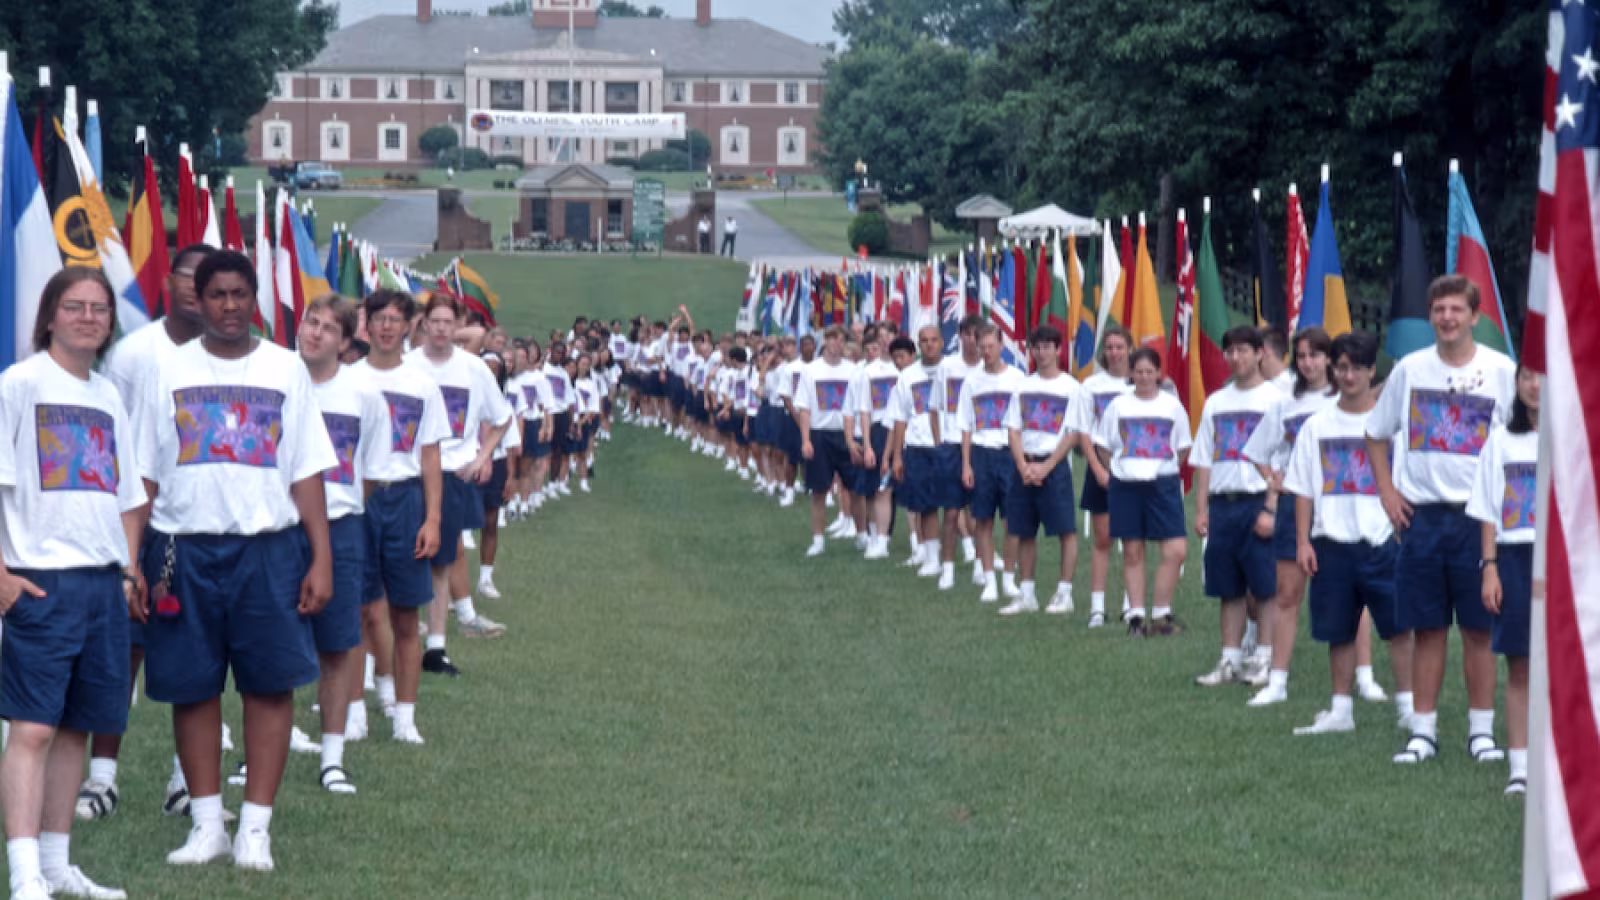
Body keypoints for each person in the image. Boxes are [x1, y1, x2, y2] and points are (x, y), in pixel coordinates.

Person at [134, 250, 337, 871]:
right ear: (196, 299)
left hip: (268, 549)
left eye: (238, 295)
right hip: (181, 548)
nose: (228, 306)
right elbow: (141, 475)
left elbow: (305, 470)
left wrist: (321, 556)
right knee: (193, 689)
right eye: (216, 294)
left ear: (254, 300)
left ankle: (255, 829)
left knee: (269, 686)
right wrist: (129, 561)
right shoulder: (165, 369)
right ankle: (205, 825)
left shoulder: (285, 369)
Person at [1, 268, 147, 900]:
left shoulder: (109, 396)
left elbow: (129, 494)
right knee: (32, 729)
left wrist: (129, 567)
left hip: (101, 584)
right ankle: (24, 873)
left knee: (75, 728)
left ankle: (59, 866)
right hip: (40, 580)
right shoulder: (19, 386)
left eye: (98, 308)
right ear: (50, 316)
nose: (88, 317)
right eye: (74, 306)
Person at [78, 244, 214, 823]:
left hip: (201, 521)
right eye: (186, 276)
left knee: (201, 652)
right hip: (138, 518)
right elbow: (113, 435)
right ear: (170, 284)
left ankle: (185, 780)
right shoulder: (135, 353)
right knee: (123, 650)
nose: (193, 288)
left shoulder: (231, 356)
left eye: (204, 280)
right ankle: (102, 777)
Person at [1366, 274, 1516, 765]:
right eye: (1439, 310)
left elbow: (1521, 445)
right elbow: (1374, 433)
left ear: (1475, 317)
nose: (1447, 318)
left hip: (1481, 524)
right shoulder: (1410, 370)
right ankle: (1423, 732)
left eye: (1456, 310)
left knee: (1478, 630)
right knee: (1427, 629)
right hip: (1423, 519)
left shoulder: (1501, 372)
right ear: (1430, 316)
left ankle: (1481, 733)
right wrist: (1387, 492)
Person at [1280, 330, 1415, 736]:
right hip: (1331, 541)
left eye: (1357, 367)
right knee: (1337, 628)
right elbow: (1302, 487)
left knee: (1398, 627)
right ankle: (1340, 708)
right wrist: (1302, 541)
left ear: (1372, 371)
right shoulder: (1316, 426)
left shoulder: (1394, 427)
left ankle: (1408, 705)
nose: (1349, 375)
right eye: (1342, 367)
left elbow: (1407, 481)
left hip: (1382, 540)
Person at [298, 293, 389, 793]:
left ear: (345, 341)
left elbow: (369, 474)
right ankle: (267, 742)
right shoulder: (277, 383)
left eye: (328, 328)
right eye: (311, 322)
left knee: (337, 642)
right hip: (280, 527)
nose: (315, 333)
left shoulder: (363, 397)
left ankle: (332, 756)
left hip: (341, 526)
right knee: (272, 643)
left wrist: (339, 509)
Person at [348, 288, 447, 744]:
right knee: (359, 611)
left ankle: (405, 717)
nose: (386, 326)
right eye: (378, 318)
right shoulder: (347, 379)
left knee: (406, 616)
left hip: (405, 500)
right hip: (357, 500)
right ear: (365, 325)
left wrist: (432, 519)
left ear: (410, 327)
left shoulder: (422, 384)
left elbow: (430, 456)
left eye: (395, 319)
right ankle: (355, 710)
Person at [408, 294, 512, 679]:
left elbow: (501, 417)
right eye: (432, 321)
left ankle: (436, 646)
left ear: (457, 326)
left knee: (442, 559)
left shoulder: (473, 369)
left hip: (452, 471)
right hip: (409, 474)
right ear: (422, 325)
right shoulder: (408, 365)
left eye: (447, 322)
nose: (439, 329)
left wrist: (482, 457)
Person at [1190, 326, 1282, 686]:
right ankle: (1229, 658)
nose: (1236, 358)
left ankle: (1264, 655)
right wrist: (1201, 509)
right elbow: (1204, 459)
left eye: (1244, 350)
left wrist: (1272, 508)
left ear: (1260, 353)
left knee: (1265, 585)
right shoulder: (1216, 402)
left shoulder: (1274, 400)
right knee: (1227, 587)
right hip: (1223, 504)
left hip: (1259, 499)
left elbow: (1283, 460)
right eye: (1230, 351)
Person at [1468, 364, 1539, 793]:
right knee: (1521, 666)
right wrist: (1489, 567)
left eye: (1544, 376)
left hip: (1570, 561)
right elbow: (1488, 511)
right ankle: (1520, 765)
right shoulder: (1501, 440)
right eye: (1527, 375)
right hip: (1514, 558)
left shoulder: (1582, 435)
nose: (1535, 385)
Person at [1091, 347, 1191, 637]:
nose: (1145, 377)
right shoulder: (1118, 406)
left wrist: (1161, 467)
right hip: (1126, 485)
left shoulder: (1172, 406)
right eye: (1139, 371)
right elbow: (1103, 446)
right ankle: (1135, 616)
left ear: (1159, 374)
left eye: (1150, 371)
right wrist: (1120, 470)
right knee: (1133, 550)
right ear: (1131, 374)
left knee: (1175, 550)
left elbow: (1183, 447)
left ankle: (1161, 610)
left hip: (1163, 484)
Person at [999, 325, 1082, 616]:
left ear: (1058, 350)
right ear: (1031, 350)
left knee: (1065, 530)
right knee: (1023, 531)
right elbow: (1013, 428)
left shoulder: (1071, 387)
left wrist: (1046, 467)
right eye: (1038, 347)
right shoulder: (1023, 385)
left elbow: (1072, 432)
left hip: (1054, 466)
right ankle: (1027, 593)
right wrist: (1023, 465)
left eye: (1049, 346)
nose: (1043, 352)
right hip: (1024, 465)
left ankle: (1064, 593)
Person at [1071, 325, 1135, 627]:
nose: (1114, 353)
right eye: (1109, 347)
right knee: (1103, 538)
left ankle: (1130, 603)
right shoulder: (1091, 386)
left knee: (1133, 540)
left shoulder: (1142, 383)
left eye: (1119, 347)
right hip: (1101, 469)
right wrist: (1097, 469)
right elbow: (1083, 430)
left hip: (1135, 470)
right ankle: (1097, 606)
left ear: (1130, 349)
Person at [958, 325, 1026, 603]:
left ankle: (1009, 577)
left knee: (1012, 521)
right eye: (981, 346)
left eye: (990, 346)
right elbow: (965, 426)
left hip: (1009, 455)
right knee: (983, 520)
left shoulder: (1018, 379)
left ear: (1001, 345)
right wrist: (966, 464)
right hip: (982, 453)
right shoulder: (971, 383)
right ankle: (988, 579)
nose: (985, 352)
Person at [795, 326, 860, 557]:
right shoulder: (811, 371)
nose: (836, 343)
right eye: (831, 339)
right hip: (819, 433)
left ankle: (862, 534)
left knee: (855, 488)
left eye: (840, 339)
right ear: (825, 342)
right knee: (819, 490)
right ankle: (818, 539)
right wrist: (806, 440)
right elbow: (803, 408)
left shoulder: (853, 371)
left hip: (846, 433)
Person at [887, 329, 945, 570]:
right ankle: (932, 557)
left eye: (934, 340)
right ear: (918, 345)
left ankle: (979, 556)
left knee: (962, 506)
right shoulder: (908, 376)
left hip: (948, 444)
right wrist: (897, 455)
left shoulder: (952, 370)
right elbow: (900, 418)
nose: (929, 345)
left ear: (941, 343)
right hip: (919, 446)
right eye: (924, 341)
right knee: (925, 505)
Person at [846, 326, 900, 558]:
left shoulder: (904, 369)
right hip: (879, 430)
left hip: (905, 430)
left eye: (890, 337)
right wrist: (867, 444)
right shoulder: (870, 372)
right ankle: (880, 538)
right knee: (880, 489)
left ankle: (919, 545)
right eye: (882, 338)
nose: (886, 341)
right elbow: (864, 411)